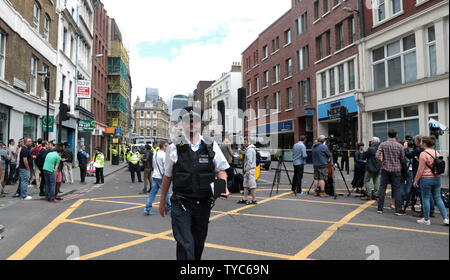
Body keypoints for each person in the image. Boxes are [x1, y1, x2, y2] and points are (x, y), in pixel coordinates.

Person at [158, 106, 230, 260]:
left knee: (198, 245)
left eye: (195, 120)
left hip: (203, 205)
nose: (192, 123)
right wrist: (162, 201)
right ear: (182, 124)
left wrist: (223, 185)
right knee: (186, 245)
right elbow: (167, 177)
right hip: (181, 204)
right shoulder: (174, 147)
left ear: (200, 123)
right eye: (187, 120)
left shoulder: (211, 145)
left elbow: (222, 170)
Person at [413, 136, 449, 226]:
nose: (420, 143)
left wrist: (415, 180)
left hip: (426, 178)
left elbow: (420, 170)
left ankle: (426, 219)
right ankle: (446, 218)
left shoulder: (423, 154)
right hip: (436, 178)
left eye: (421, 142)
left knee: (426, 198)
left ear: (425, 143)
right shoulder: (436, 152)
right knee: (438, 198)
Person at [376, 129, 406, 216]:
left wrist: (382, 163)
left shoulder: (383, 144)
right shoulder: (399, 146)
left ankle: (380, 208)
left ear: (388, 134)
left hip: (385, 168)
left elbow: (377, 156)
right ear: (396, 135)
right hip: (396, 169)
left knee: (382, 188)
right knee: (397, 189)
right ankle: (398, 210)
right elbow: (403, 158)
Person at [404, 135, 434, 217]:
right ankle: (431, 210)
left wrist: (406, 148)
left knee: (421, 193)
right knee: (429, 193)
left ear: (418, 141)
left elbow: (408, 155)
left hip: (419, 173)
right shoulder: (428, 149)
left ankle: (424, 211)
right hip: (430, 174)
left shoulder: (418, 150)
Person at [144, 142, 170, 215]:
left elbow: (153, 165)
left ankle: (147, 209)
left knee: (152, 193)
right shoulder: (164, 155)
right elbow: (166, 167)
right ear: (164, 146)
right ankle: (169, 208)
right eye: (167, 146)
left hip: (155, 175)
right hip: (162, 177)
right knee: (166, 193)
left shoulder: (155, 154)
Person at [237, 136, 257, 205]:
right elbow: (245, 153)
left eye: (245, 142)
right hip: (248, 170)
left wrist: (247, 170)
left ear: (249, 142)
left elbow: (249, 161)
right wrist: (240, 151)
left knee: (252, 185)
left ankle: (254, 200)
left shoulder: (250, 150)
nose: (243, 143)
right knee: (245, 185)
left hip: (250, 170)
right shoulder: (249, 149)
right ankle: (245, 199)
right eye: (243, 142)